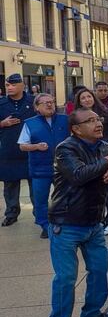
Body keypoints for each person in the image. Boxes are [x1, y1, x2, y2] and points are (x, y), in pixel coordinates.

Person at [47, 107, 108, 317]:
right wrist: (107, 163)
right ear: (76, 129)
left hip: (93, 221)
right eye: (89, 121)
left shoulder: (102, 146)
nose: (97, 123)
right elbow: (79, 175)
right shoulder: (66, 148)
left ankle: (92, 313)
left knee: (99, 268)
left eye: (97, 118)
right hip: (66, 222)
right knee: (66, 277)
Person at [73, 88, 108, 234]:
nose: (86, 100)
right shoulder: (75, 117)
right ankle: (96, 219)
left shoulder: (105, 112)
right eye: (83, 98)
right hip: (85, 155)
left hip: (104, 153)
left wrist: (104, 142)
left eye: (89, 97)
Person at [18, 94, 70, 238]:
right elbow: (22, 146)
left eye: (51, 102)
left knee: (65, 196)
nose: (49, 105)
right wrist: (35, 146)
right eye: (45, 103)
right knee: (40, 200)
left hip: (62, 167)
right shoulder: (29, 123)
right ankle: (45, 225)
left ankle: (64, 222)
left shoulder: (64, 119)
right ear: (37, 107)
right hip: (40, 168)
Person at [0, 74, 36, 227]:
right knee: (10, 184)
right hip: (9, 150)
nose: (9, 88)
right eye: (7, 85)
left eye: (13, 85)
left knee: (35, 183)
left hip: (31, 150)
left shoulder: (33, 102)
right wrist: (2, 123)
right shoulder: (1, 104)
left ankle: (40, 213)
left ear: (22, 85)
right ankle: (11, 213)